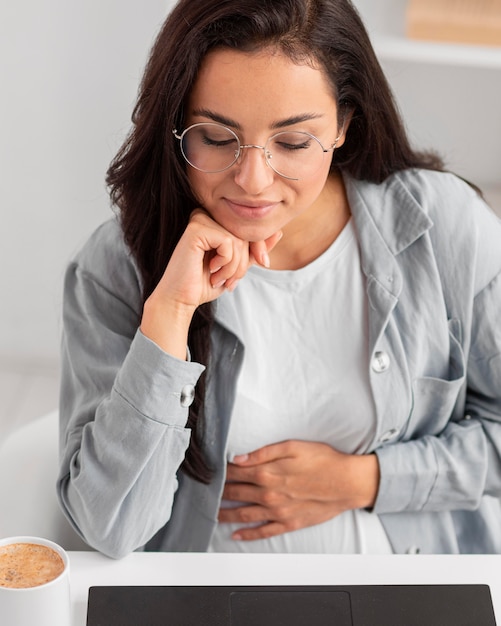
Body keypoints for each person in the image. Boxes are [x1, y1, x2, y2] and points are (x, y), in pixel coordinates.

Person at [58, 0, 501, 559]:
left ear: (343, 123)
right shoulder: (114, 266)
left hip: (404, 590)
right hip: (202, 600)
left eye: (292, 142)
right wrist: (167, 318)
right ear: (176, 127)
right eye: (216, 139)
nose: (252, 180)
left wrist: (366, 480)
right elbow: (109, 528)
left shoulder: (445, 228)